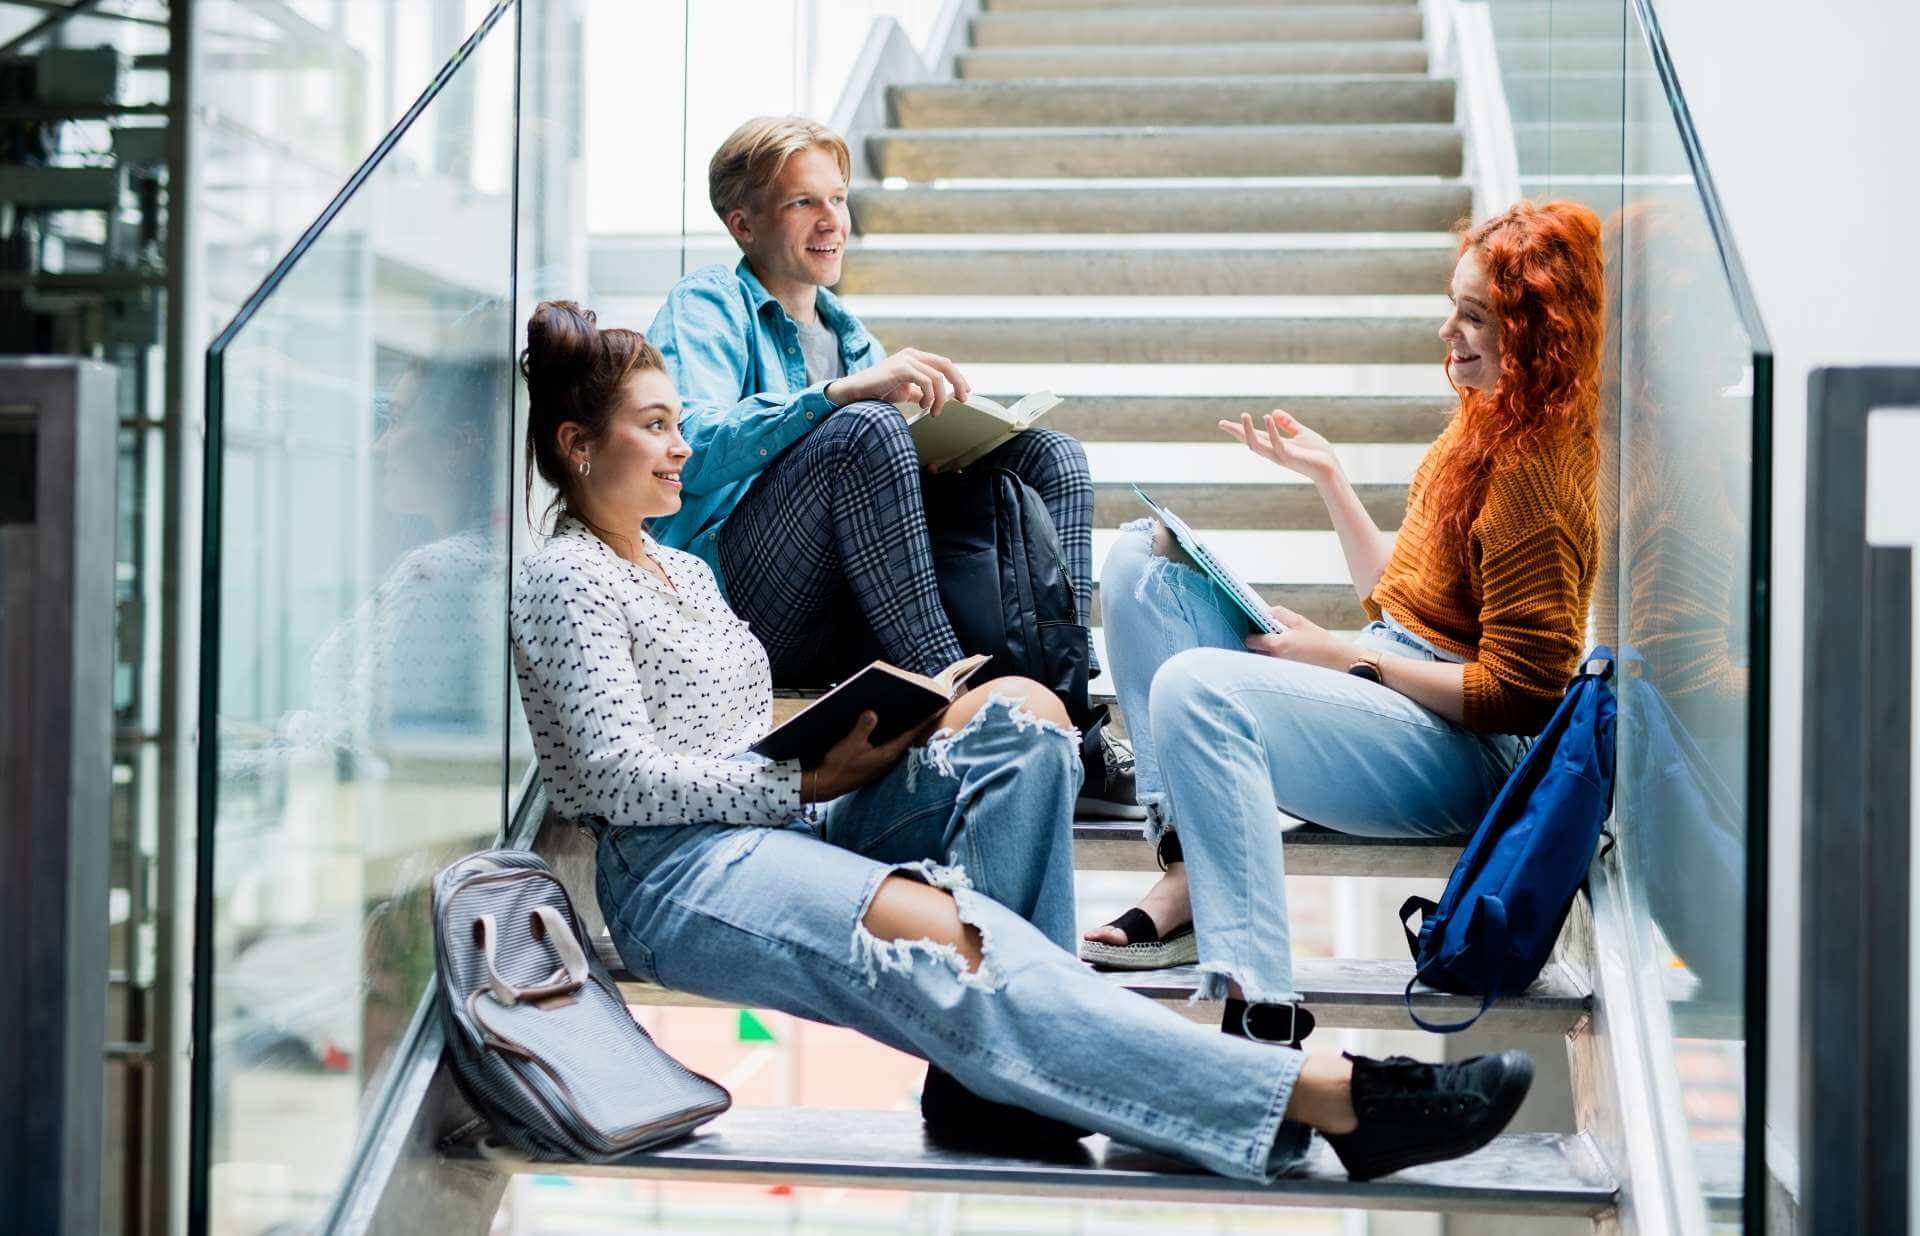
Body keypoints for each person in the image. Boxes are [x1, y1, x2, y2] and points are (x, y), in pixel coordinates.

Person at [508, 298, 1536, 1183]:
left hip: (787, 810)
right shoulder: (566, 581)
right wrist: (797, 776)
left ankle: (987, 1080)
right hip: (684, 872)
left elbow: (738, 727)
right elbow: (609, 779)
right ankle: (1327, 1095)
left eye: (679, 421)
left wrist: (884, 724)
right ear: (578, 446)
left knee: (1024, 730)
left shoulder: (682, 572)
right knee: (952, 941)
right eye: (656, 426)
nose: (683, 445)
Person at [1083, 201, 1606, 1047]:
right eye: (1454, 305)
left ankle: (1262, 1007)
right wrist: (1329, 478)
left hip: (1464, 755)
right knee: (1142, 563)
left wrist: (1350, 660)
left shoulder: (1537, 479)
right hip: (1399, 683)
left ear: (1536, 331)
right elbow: (1398, 601)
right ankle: (1185, 872)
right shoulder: (1486, 420)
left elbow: (1525, 696)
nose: (1449, 331)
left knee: (1197, 687)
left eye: (1474, 317)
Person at [644, 115, 1136, 818]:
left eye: (837, 199)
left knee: (1049, 456)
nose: (830, 222)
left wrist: (930, 463)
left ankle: (1066, 714)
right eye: (802, 203)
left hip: (845, 607)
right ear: (744, 224)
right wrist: (836, 398)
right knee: (865, 425)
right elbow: (686, 447)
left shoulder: (849, 334)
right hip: (744, 606)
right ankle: (962, 709)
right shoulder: (708, 304)